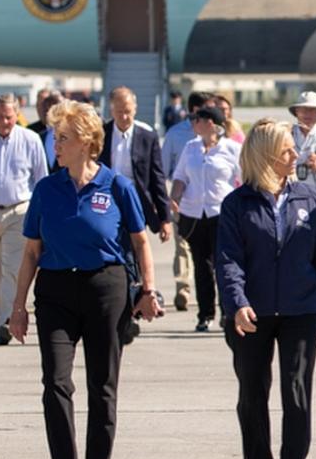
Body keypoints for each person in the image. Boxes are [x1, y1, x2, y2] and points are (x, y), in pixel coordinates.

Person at [9, 100, 164, 459]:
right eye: (54, 137)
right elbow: (30, 252)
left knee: (102, 385)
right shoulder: (47, 189)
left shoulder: (116, 186)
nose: (55, 145)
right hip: (56, 290)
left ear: (86, 142)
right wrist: (18, 307)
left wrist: (147, 290)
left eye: (63, 138)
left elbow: (140, 241)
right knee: (56, 382)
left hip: (105, 289)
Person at [217, 118, 316, 459]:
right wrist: (237, 302)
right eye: (287, 149)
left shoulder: (310, 197)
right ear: (265, 155)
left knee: (296, 393)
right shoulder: (236, 204)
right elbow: (227, 260)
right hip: (251, 313)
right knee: (251, 396)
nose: (296, 155)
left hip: (301, 310)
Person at [100, 87, 172, 343]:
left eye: (128, 112)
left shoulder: (146, 135)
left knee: (135, 257)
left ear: (135, 109)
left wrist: (164, 218)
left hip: (136, 205)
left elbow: (157, 178)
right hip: (106, 205)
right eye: (119, 112)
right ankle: (124, 311)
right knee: (118, 256)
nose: (124, 117)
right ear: (111, 110)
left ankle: (134, 306)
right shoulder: (102, 134)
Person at [171, 106, 242, 333]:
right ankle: (205, 315)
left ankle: (228, 311)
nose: (193, 123)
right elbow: (180, 177)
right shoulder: (190, 148)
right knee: (202, 267)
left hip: (221, 214)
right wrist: (174, 199)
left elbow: (245, 178)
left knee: (223, 265)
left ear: (211, 123)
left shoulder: (231, 149)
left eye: (197, 119)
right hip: (194, 215)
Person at [0, 94, 49, 345]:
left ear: (17, 115)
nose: (5, 122)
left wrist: (42, 214)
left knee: (13, 268)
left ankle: (6, 322)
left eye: (9, 117)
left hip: (19, 211)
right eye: (0, 117)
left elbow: (41, 178)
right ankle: (2, 316)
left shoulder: (30, 140)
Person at [163, 91, 217, 312]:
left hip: (214, 210)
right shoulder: (177, 136)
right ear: (196, 112)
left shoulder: (226, 144)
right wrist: (172, 197)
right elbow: (167, 169)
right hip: (185, 206)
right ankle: (183, 289)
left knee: (212, 258)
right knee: (184, 249)